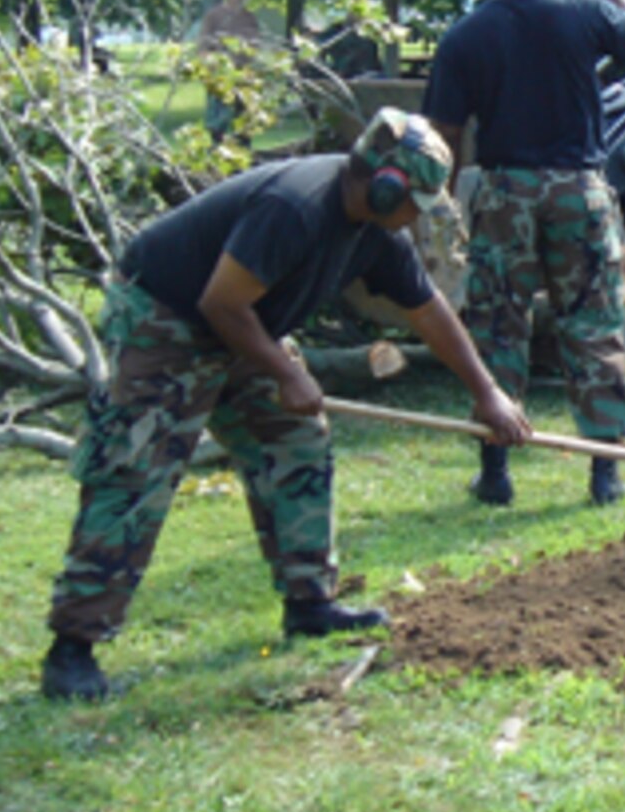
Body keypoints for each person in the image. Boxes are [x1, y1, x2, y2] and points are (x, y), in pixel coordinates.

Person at [42, 107, 533, 702]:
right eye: (415, 204)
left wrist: (487, 394)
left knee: (297, 441)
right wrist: (286, 374)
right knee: (136, 467)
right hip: (167, 318)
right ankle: (73, 646)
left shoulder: (378, 234)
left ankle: (310, 602)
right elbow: (220, 303)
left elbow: (428, 310)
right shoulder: (295, 208)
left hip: (245, 321)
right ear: (384, 186)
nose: (417, 221)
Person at [422, 0, 625, 508]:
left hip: (505, 192)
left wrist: (440, 218)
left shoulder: (465, 37)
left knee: (498, 326)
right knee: (594, 323)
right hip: (580, 189)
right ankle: (606, 472)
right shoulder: (581, 13)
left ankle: (496, 472)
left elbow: (441, 139)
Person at [197, 0, 262, 142]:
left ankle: (243, 157)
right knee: (217, 123)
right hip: (221, 76)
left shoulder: (250, 18)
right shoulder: (213, 16)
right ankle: (216, 155)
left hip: (243, 78)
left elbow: (255, 47)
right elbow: (203, 47)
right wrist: (212, 70)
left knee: (244, 124)